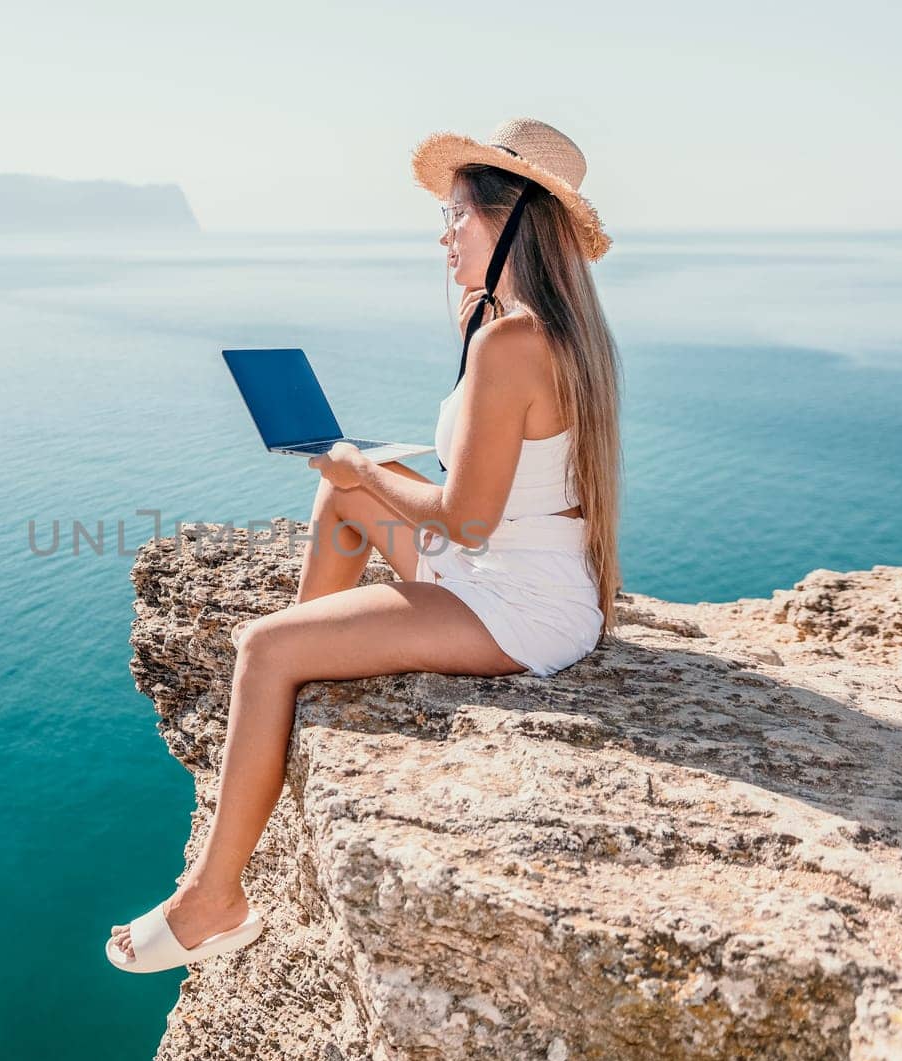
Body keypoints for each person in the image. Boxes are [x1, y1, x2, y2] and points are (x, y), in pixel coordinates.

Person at [107, 117, 624, 973]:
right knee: (338, 492)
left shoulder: (509, 344)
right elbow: (501, 495)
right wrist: (357, 471)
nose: (443, 233)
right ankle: (316, 658)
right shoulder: (539, 330)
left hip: (519, 607)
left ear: (508, 221)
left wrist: (364, 461)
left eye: (457, 215)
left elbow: (464, 519)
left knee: (263, 646)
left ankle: (215, 900)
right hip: (517, 575)